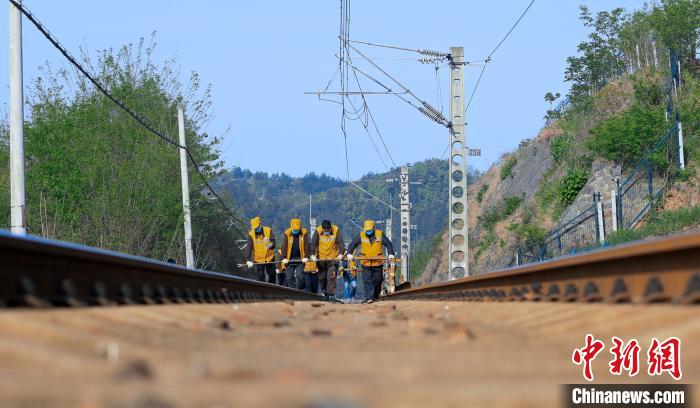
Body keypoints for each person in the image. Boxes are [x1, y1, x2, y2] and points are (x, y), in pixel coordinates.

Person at [346, 220, 395, 303]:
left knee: (378, 280)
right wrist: (349, 253)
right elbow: (353, 244)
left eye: (370, 230)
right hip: (365, 262)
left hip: (377, 262)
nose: (368, 232)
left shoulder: (379, 234)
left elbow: (388, 244)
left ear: (373, 228)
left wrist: (391, 253)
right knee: (367, 280)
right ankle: (369, 298)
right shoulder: (361, 235)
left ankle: (375, 296)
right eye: (367, 230)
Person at [309, 220, 344, 299]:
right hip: (321, 259)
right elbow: (313, 243)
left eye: (328, 230)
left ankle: (331, 295)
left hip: (333, 259)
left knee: (331, 277)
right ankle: (324, 293)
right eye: (325, 231)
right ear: (322, 228)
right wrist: (312, 255)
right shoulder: (318, 231)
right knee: (322, 278)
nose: (326, 232)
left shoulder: (336, 230)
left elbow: (341, 242)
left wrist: (341, 254)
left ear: (330, 228)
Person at [244, 216, 276, 283]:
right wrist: (248, 260)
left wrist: (271, 245)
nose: (256, 229)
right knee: (260, 277)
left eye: (257, 227)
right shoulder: (251, 234)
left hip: (269, 258)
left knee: (272, 275)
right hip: (259, 259)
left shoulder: (268, 230)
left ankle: (272, 288)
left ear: (260, 224)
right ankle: (262, 288)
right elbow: (248, 248)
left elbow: (273, 242)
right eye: (255, 228)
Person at [280, 218, 309, 290]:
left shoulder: (304, 232)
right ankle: (292, 291)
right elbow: (284, 246)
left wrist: (306, 256)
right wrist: (284, 257)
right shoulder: (287, 233)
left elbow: (306, 245)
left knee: (300, 276)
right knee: (289, 277)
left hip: (300, 259)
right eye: (294, 229)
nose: (295, 231)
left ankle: (300, 290)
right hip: (289, 259)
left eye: (297, 229)